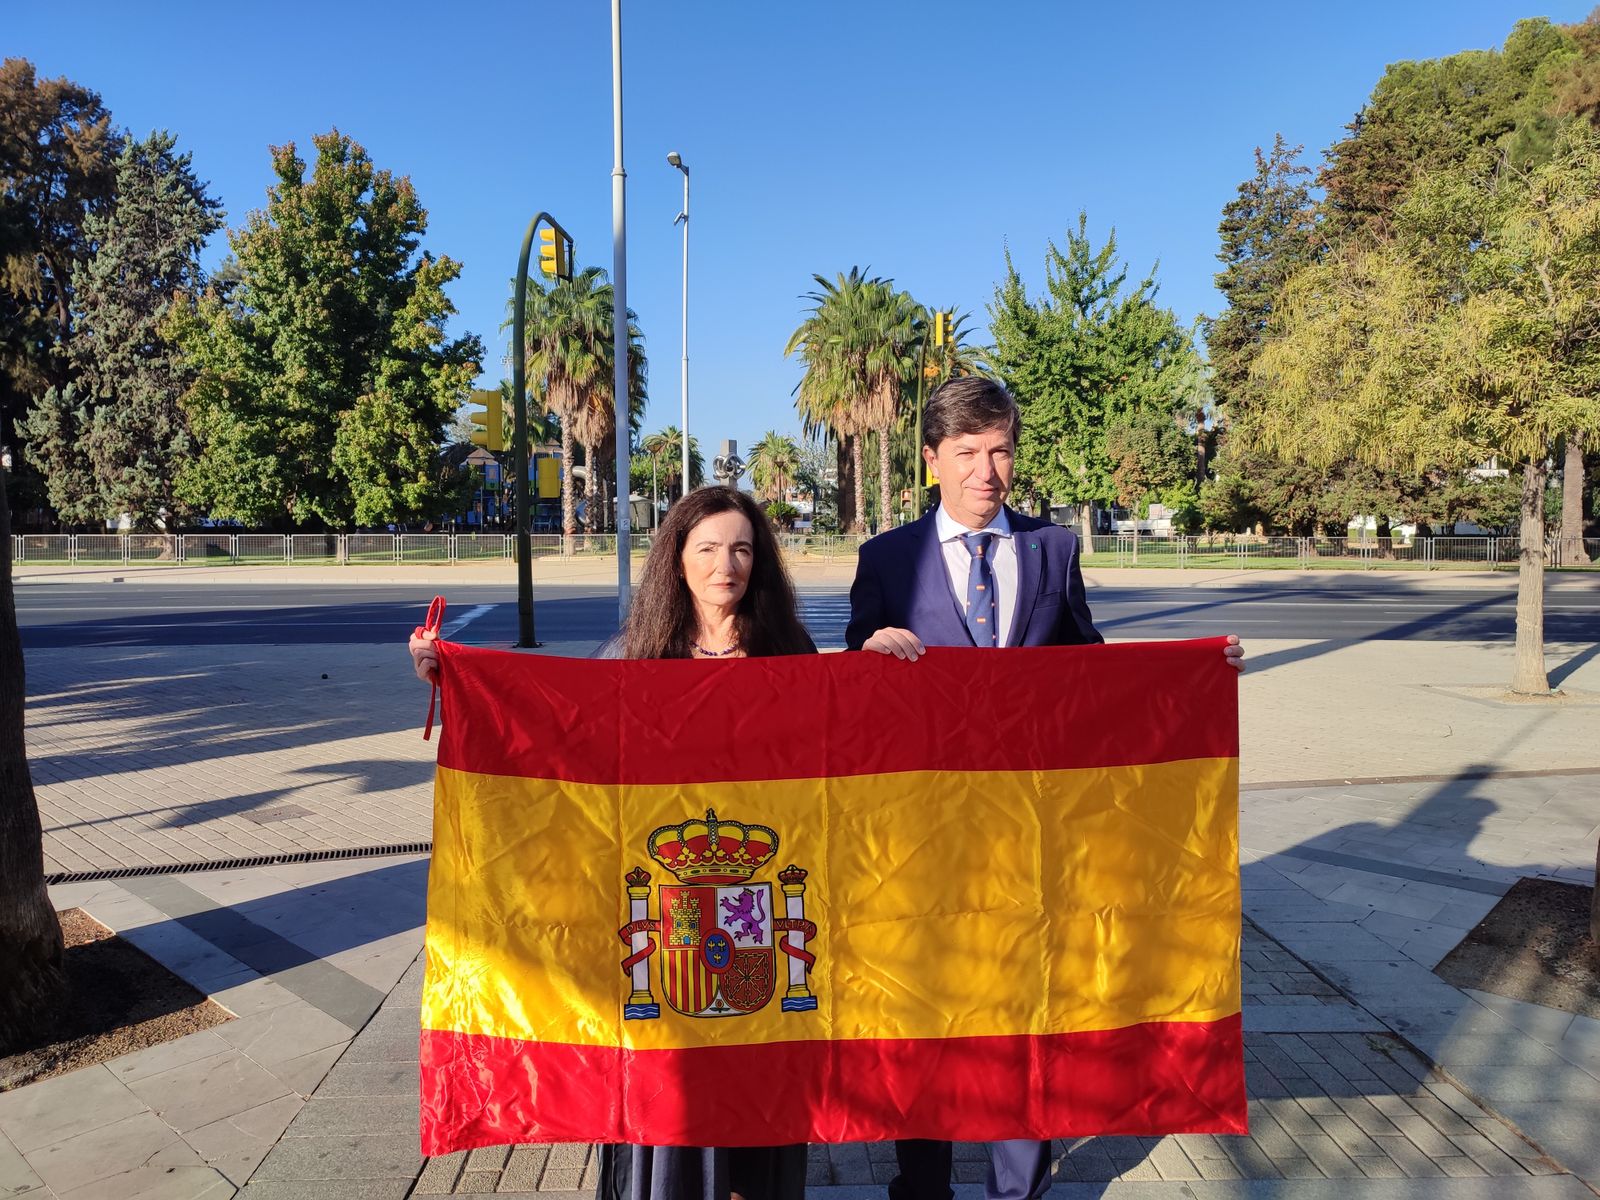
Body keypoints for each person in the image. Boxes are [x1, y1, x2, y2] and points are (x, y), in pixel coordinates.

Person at [844, 376, 1245, 1200]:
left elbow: (1089, 674)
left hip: (1035, 838)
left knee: (1030, 1010)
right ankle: (922, 1182)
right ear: (932, 461)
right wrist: (866, 656)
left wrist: (1191, 677)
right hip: (926, 841)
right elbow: (852, 706)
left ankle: (1016, 1189)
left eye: (999, 451)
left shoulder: (1053, 550)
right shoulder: (885, 559)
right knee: (926, 1013)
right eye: (966, 454)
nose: (986, 471)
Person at [410, 485, 812, 1200]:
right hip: (661, 921)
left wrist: (883, 658)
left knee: (756, 1097)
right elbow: (555, 727)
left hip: (758, 917)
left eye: (744, 549)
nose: (728, 565)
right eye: (709, 549)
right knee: (663, 1100)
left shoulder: (789, 654)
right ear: (678, 560)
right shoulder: (635, 654)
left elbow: (839, 754)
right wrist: (461, 677)